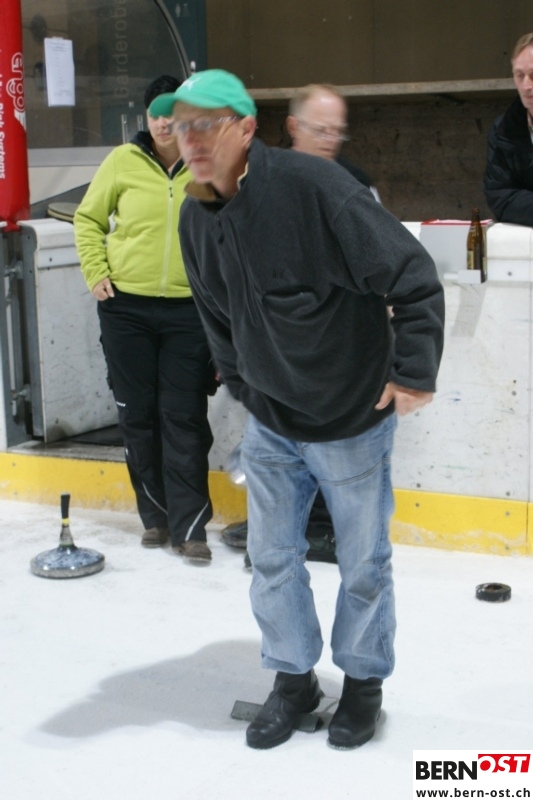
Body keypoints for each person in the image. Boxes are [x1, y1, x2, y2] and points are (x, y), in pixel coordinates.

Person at [149, 69, 444, 750]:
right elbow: (216, 316)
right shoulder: (195, 217)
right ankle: (293, 681)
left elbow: (412, 276)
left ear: (247, 128)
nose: (189, 139)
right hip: (273, 422)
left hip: (351, 419)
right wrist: (246, 387)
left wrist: (413, 373)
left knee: (363, 564)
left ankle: (362, 684)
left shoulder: (317, 190)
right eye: (180, 126)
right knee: (272, 560)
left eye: (205, 124)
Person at [222, 83, 380, 567]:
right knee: (276, 447)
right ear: (293, 126)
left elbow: (380, 268)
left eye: (338, 132)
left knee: (334, 445)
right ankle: (276, 532)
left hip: (336, 352)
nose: (331, 140)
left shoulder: (356, 186)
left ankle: (326, 530)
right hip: (272, 350)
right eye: (320, 129)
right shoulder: (253, 183)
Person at [74, 75, 217, 564]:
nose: (162, 122)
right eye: (155, 113)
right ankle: (155, 518)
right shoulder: (122, 161)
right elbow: (88, 219)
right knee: (137, 415)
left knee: (184, 417)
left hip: (188, 313)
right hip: (126, 311)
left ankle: (191, 528)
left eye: (172, 114)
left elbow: (229, 234)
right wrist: (96, 272)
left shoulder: (207, 165)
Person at [484, 32, 533, 224]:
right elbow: (499, 196)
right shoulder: (503, 130)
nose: (526, 85)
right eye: (519, 75)